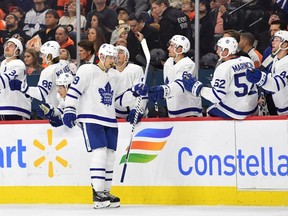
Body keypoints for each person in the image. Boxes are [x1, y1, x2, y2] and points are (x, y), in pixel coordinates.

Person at [61, 43, 147, 209]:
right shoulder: (87, 70)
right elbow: (75, 90)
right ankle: (97, 192)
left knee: (110, 155)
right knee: (99, 152)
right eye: (110, 57)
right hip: (91, 117)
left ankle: (106, 191)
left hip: (109, 119)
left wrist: (136, 92)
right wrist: (70, 109)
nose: (113, 60)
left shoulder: (115, 75)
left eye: (115, 57)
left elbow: (120, 99)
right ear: (101, 57)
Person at [182, 37, 258, 119]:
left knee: (210, 110)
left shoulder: (223, 67)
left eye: (219, 48)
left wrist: (197, 88)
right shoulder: (248, 61)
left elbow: (216, 96)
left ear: (226, 50)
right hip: (252, 108)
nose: (217, 51)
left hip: (236, 112)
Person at [148, 35, 202, 118]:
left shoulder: (188, 64)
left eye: (172, 46)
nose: (168, 48)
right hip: (173, 111)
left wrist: (163, 90)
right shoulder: (169, 62)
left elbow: (180, 86)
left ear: (180, 49)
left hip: (189, 113)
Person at [9, 41, 73, 109]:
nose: (41, 56)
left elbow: (41, 93)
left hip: (58, 109)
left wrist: (22, 87)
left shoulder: (48, 71)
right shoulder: (65, 63)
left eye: (43, 54)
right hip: (70, 103)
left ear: (49, 56)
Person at [246, 30, 288, 116]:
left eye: (277, 39)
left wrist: (261, 78)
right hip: (280, 107)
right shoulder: (275, 58)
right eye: (273, 39)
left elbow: (277, 84)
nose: (273, 42)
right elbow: (266, 73)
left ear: (285, 44)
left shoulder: (286, 63)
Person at [0, 38, 31, 120]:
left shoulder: (18, 64)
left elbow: (2, 82)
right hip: (3, 107)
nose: (7, 47)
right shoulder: (3, 64)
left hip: (17, 108)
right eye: (6, 44)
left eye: (11, 46)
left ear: (17, 51)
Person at [115, 45, 147, 120]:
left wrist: (138, 110)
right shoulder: (109, 73)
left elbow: (141, 93)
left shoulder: (136, 70)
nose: (117, 55)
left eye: (120, 53)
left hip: (134, 113)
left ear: (126, 57)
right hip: (115, 115)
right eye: (115, 53)